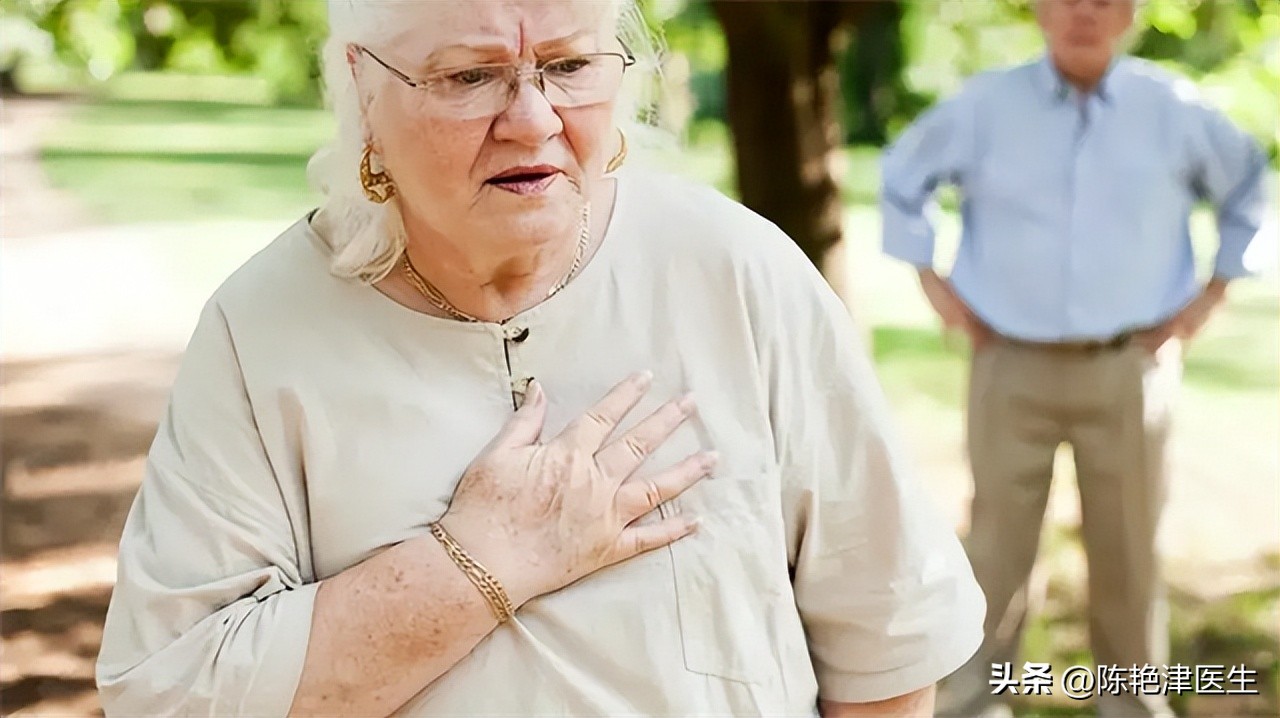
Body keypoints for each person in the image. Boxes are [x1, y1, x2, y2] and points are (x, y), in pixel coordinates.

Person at [95, 0, 986, 715]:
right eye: (470, 75)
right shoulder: (263, 329)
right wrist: (474, 563)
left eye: (567, 66)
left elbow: (888, 637)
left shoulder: (736, 271)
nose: (532, 119)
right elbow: (172, 690)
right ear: (365, 89)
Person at [880, 0, 1269, 716]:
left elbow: (1252, 184)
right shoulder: (984, 107)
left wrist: (1214, 293)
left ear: (1133, 13)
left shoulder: (1174, 109)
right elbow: (901, 179)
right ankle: (974, 703)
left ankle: (1129, 706)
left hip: (1131, 369)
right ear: (1039, 10)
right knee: (994, 549)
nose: (1085, 12)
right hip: (1009, 366)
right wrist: (933, 283)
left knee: (1129, 551)